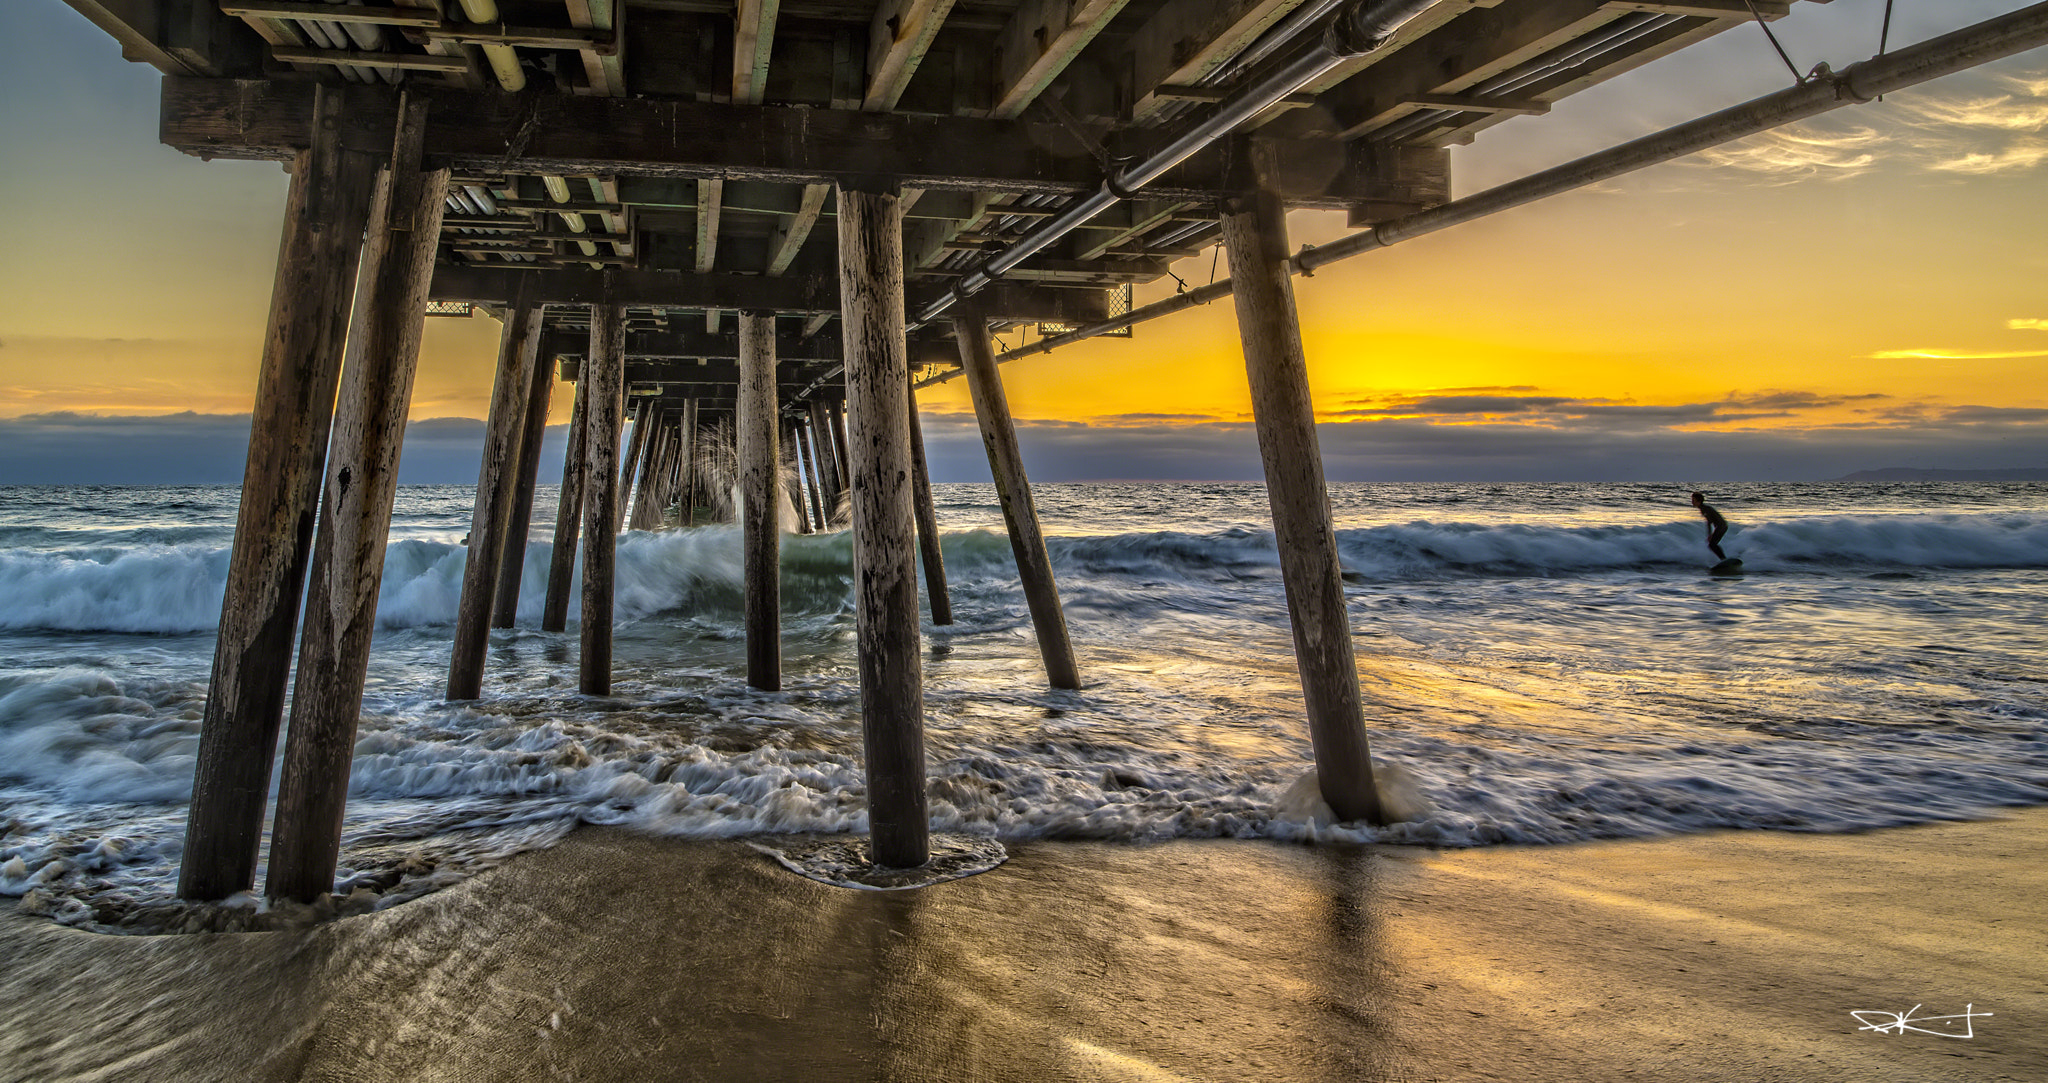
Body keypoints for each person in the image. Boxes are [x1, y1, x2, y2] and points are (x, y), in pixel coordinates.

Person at [1690, 491, 1728, 561]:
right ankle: (1723, 559)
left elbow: (1709, 522)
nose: (1692, 502)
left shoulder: (1704, 509)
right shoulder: (1703, 508)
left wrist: (1710, 534)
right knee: (1713, 544)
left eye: (1693, 500)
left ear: (1699, 501)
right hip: (1722, 526)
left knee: (1712, 544)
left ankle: (1723, 559)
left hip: (1721, 526)